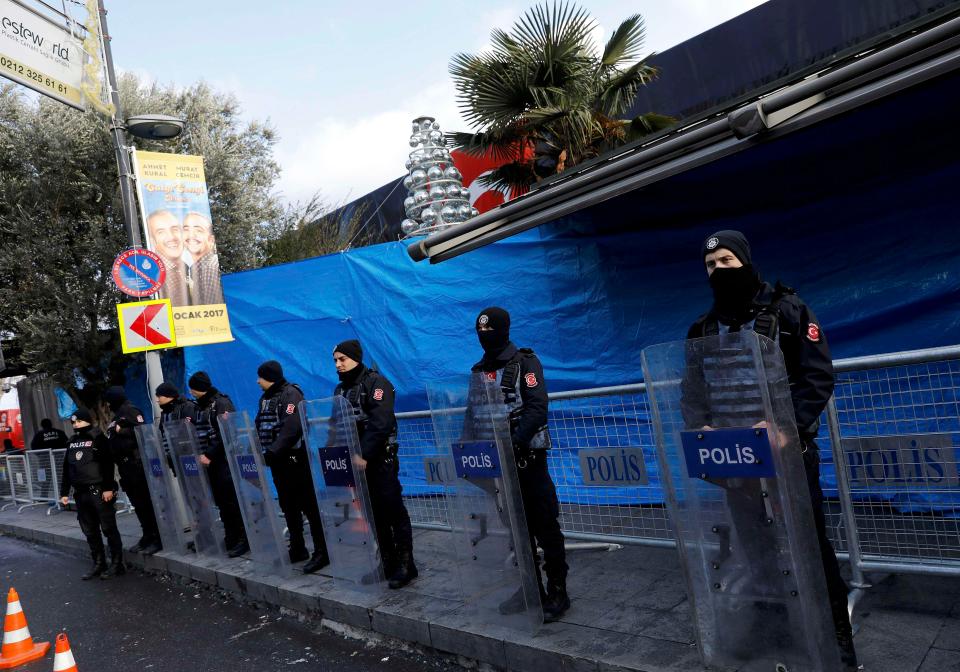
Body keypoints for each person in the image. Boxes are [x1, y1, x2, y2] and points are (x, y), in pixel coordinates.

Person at [684, 229, 857, 670]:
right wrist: (699, 424)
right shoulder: (702, 329)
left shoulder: (787, 310)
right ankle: (770, 626)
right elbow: (692, 391)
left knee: (810, 547)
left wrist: (785, 426)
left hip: (785, 455)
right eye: (710, 265)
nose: (717, 270)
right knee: (755, 547)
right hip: (734, 459)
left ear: (743, 259)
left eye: (725, 260)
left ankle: (834, 637)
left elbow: (817, 377)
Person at [470, 307, 569, 622]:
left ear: (504, 329)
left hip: (528, 464)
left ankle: (558, 590)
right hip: (498, 471)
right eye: (480, 331)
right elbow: (472, 415)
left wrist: (512, 445)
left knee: (545, 528)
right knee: (516, 532)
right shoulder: (478, 371)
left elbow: (538, 408)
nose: (485, 335)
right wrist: (466, 451)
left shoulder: (526, 362)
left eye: (490, 330)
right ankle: (530, 589)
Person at [332, 340, 416, 589]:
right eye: (335, 360)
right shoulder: (340, 390)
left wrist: (364, 454)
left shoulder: (376, 383)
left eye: (342, 359)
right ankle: (387, 562)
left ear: (356, 358)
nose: (338, 364)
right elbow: (337, 424)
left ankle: (406, 564)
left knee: (392, 511)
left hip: (379, 461)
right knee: (372, 513)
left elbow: (381, 422)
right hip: (356, 464)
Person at [254, 360, 328, 573]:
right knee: (288, 506)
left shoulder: (291, 394)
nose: (258, 381)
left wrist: (273, 451)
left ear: (270, 377)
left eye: (260, 377)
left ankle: (322, 552)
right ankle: (297, 548)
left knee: (310, 507)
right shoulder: (266, 398)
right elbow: (260, 425)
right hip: (278, 463)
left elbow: (292, 427)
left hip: (295, 461)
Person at [188, 371, 249, 557]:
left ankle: (243, 539)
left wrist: (209, 454)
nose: (190, 392)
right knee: (222, 502)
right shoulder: (202, 406)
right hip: (212, 463)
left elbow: (227, 432)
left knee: (232, 501)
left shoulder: (220, 403)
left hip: (224, 461)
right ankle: (231, 536)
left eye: (193, 388)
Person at [59, 408, 124, 580]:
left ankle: (117, 565)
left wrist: (109, 488)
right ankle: (99, 563)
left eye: (79, 421)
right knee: (90, 531)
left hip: (99, 491)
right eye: (73, 422)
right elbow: (67, 469)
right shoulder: (72, 441)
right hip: (80, 494)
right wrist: (64, 492)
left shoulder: (98, 438)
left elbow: (107, 464)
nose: (75, 425)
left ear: (87, 421)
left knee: (108, 528)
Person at [103, 385, 161, 555]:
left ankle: (157, 537)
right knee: (138, 504)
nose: (107, 405)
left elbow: (143, 433)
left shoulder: (130, 410)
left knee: (146, 503)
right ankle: (147, 535)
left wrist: (123, 431)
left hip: (136, 465)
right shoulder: (118, 415)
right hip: (125, 467)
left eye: (108, 401)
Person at [146, 209, 189, 306]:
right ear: (152, 241)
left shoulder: (190, 269)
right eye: (161, 232)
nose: (171, 237)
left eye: (175, 229)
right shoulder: (152, 275)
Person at [182, 211, 224, 305]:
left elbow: (213, 307)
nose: (191, 235)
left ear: (211, 240)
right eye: (186, 229)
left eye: (199, 230)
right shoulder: (197, 268)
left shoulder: (209, 267)